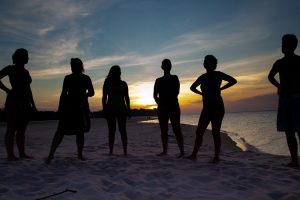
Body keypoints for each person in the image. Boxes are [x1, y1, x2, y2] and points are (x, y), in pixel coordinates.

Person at [187, 55, 237, 163]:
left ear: (213, 64)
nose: (206, 64)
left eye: (208, 62)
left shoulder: (218, 74)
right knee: (199, 131)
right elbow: (192, 87)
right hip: (206, 107)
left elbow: (233, 81)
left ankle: (216, 157)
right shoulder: (202, 77)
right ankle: (194, 154)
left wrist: (221, 88)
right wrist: (202, 93)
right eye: (205, 62)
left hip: (217, 106)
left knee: (215, 132)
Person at [46, 58, 94, 163]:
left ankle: (80, 154)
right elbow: (63, 94)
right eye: (72, 65)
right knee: (61, 131)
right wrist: (60, 108)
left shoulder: (85, 78)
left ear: (80, 67)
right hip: (69, 107)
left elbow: (91, 92)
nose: (73, 68)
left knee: (80, 132)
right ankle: (51, 154)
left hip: (81, 107)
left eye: (74, 65)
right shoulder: (68, 78)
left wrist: (83, 95)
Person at [268, 34, 300, 167]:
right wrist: (279, 86)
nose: (282, 46)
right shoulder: (279, 62)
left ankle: (295, 160)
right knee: (289, 131)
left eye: (285, 44)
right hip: (285, 99)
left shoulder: (299, 60)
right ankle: (294, 160)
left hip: (298, 99)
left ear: (293, 46)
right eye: (282, 43)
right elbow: (270, 77)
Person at [0, 48, 37, 161]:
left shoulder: (26, 72)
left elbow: (28, 89)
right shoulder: (10, 69)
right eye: (26, 56)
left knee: (22, 129)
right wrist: (7, 90)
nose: (28, 58)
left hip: (25, 103)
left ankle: (21, 153)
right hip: (14, 102)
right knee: (11, 128)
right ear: (20, 57)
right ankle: (10, 155)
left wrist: (33, 105)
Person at [153, 59, 184, 158]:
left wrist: (164, 101)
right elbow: (154, 95)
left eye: (168, 64)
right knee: (164, 130)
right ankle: (165, 151)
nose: (166, 66)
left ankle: (182, 151)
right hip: (163, 108)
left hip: (173, 106)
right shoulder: (158, 80)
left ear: (170, 66)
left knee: (176, 129)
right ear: (162, 67)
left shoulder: (175, 78)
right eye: (164, 65)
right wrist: (159, 103)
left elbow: (176, 92)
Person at [102, 65, 131, 156]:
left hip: (122, 110)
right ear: (112, 72)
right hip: (110, 110)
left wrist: (128, 110)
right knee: (111, 131)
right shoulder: (107, 83)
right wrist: (105, 110)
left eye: (119, 72)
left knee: (123, 130)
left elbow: (127, 98)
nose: (119, 73)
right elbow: (104, 98)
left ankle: (125, 151)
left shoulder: (124, 84)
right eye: (117, 72)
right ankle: (111, 151)